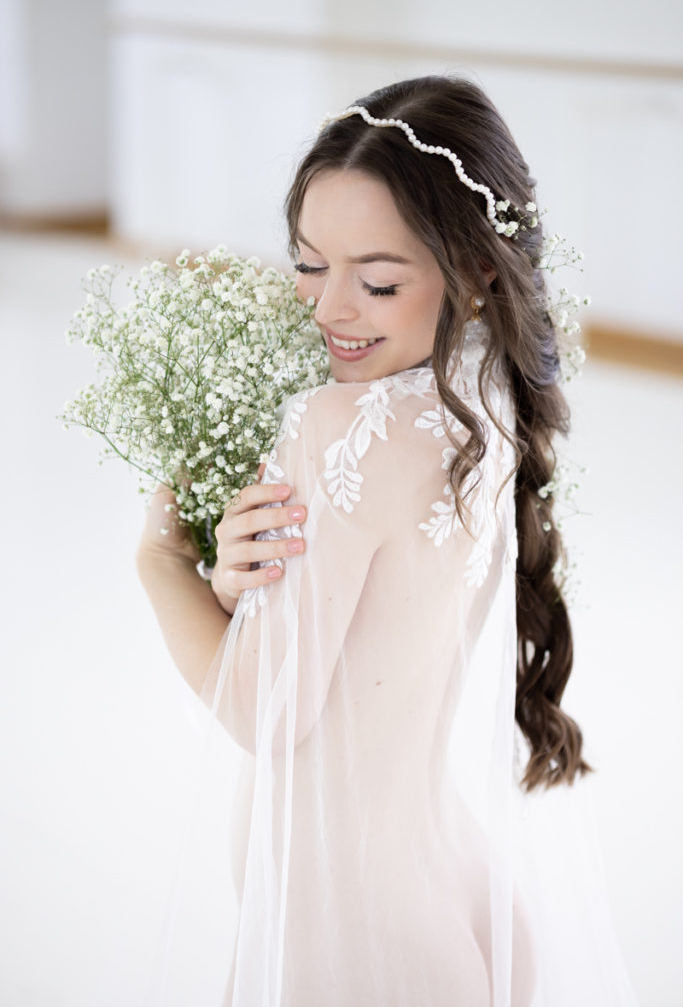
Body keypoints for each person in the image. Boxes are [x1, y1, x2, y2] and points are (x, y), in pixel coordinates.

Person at [137, 76, 638, 1006]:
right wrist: (242, 592)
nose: (329, 309)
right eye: (306, 263)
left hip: (343, 914)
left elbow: (265, 716)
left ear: (477, 270)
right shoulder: (483, 399)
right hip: (448, 880)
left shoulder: (338, 427)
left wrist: (164, 564)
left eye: (375, 281)